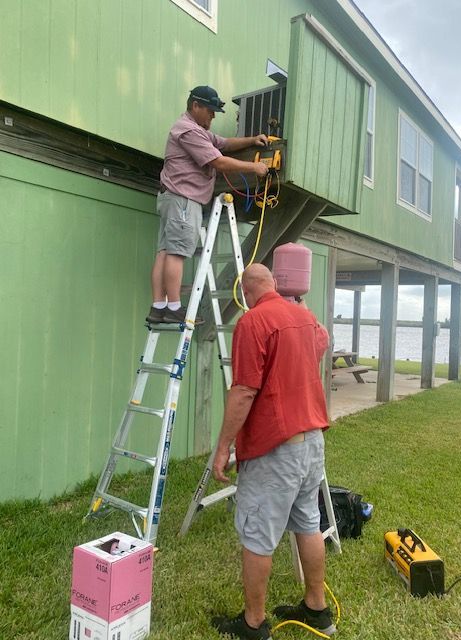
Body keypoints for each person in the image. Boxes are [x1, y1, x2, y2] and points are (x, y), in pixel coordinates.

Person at [211, 264, 335, 640]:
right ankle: (317, 608)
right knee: (308, 523)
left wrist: (223, 448)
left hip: (276, 449)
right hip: (312, 441)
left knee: (257, 536)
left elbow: (245, 390)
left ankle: (252, 624)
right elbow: (324, 340)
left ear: (247, 292)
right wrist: (303, 314)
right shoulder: (305, 316)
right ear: (276, 285)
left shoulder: (252, 322)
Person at [146, 86, 269, 325]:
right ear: (195, 106)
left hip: (174, 198)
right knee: (176, 253)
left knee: (165, 252)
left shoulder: (197, 130)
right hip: (183, 199)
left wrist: (252, 140)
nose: (213, 116)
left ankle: (159, 307)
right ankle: (172, 308)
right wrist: (254, 168)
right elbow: (218, 161)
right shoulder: (189, 131)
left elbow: (223, 143)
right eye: (210, 111)